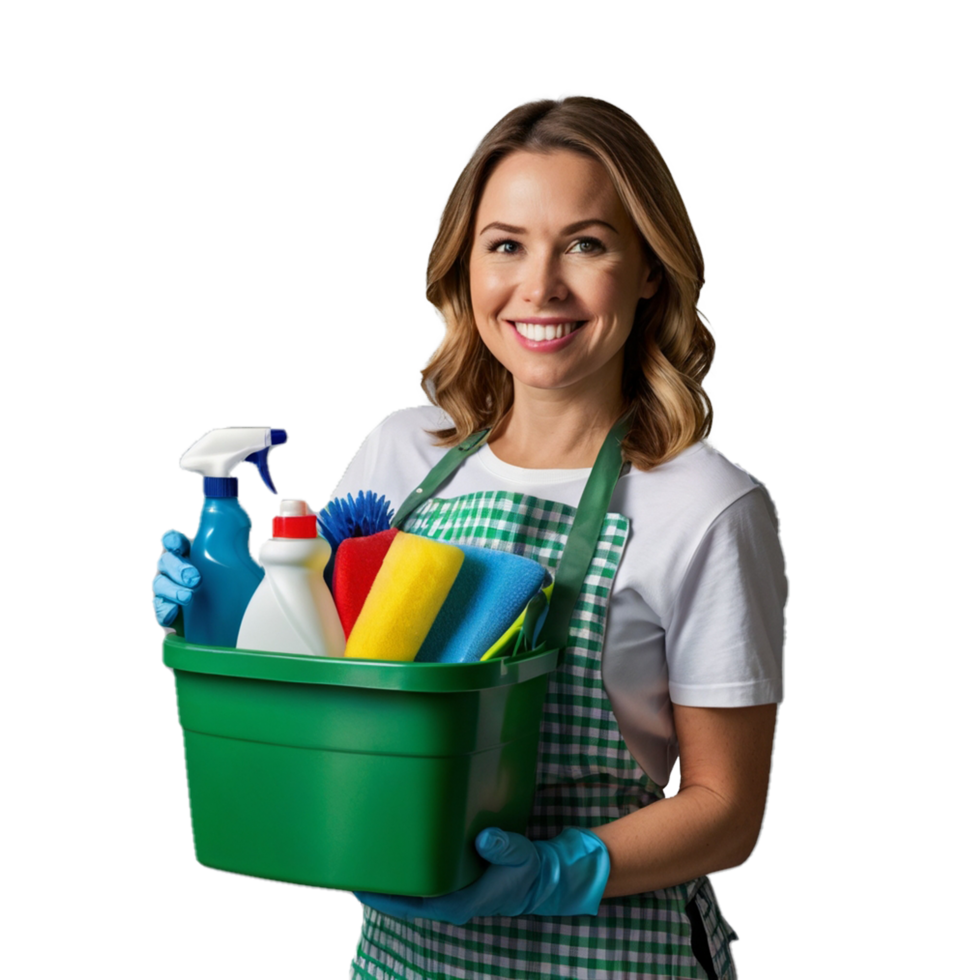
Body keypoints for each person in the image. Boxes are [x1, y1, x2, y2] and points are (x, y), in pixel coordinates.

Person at [154, 93, 788, 979]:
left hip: (609, 954)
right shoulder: (400, 454)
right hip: (404, 958)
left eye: (588, 244)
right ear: (465, 267)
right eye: (506, 245)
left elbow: (728, 809)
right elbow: (320, 678)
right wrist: (214, 606)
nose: (541, 288)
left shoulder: (705, 505)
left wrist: (554, 875)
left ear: (650, 269)